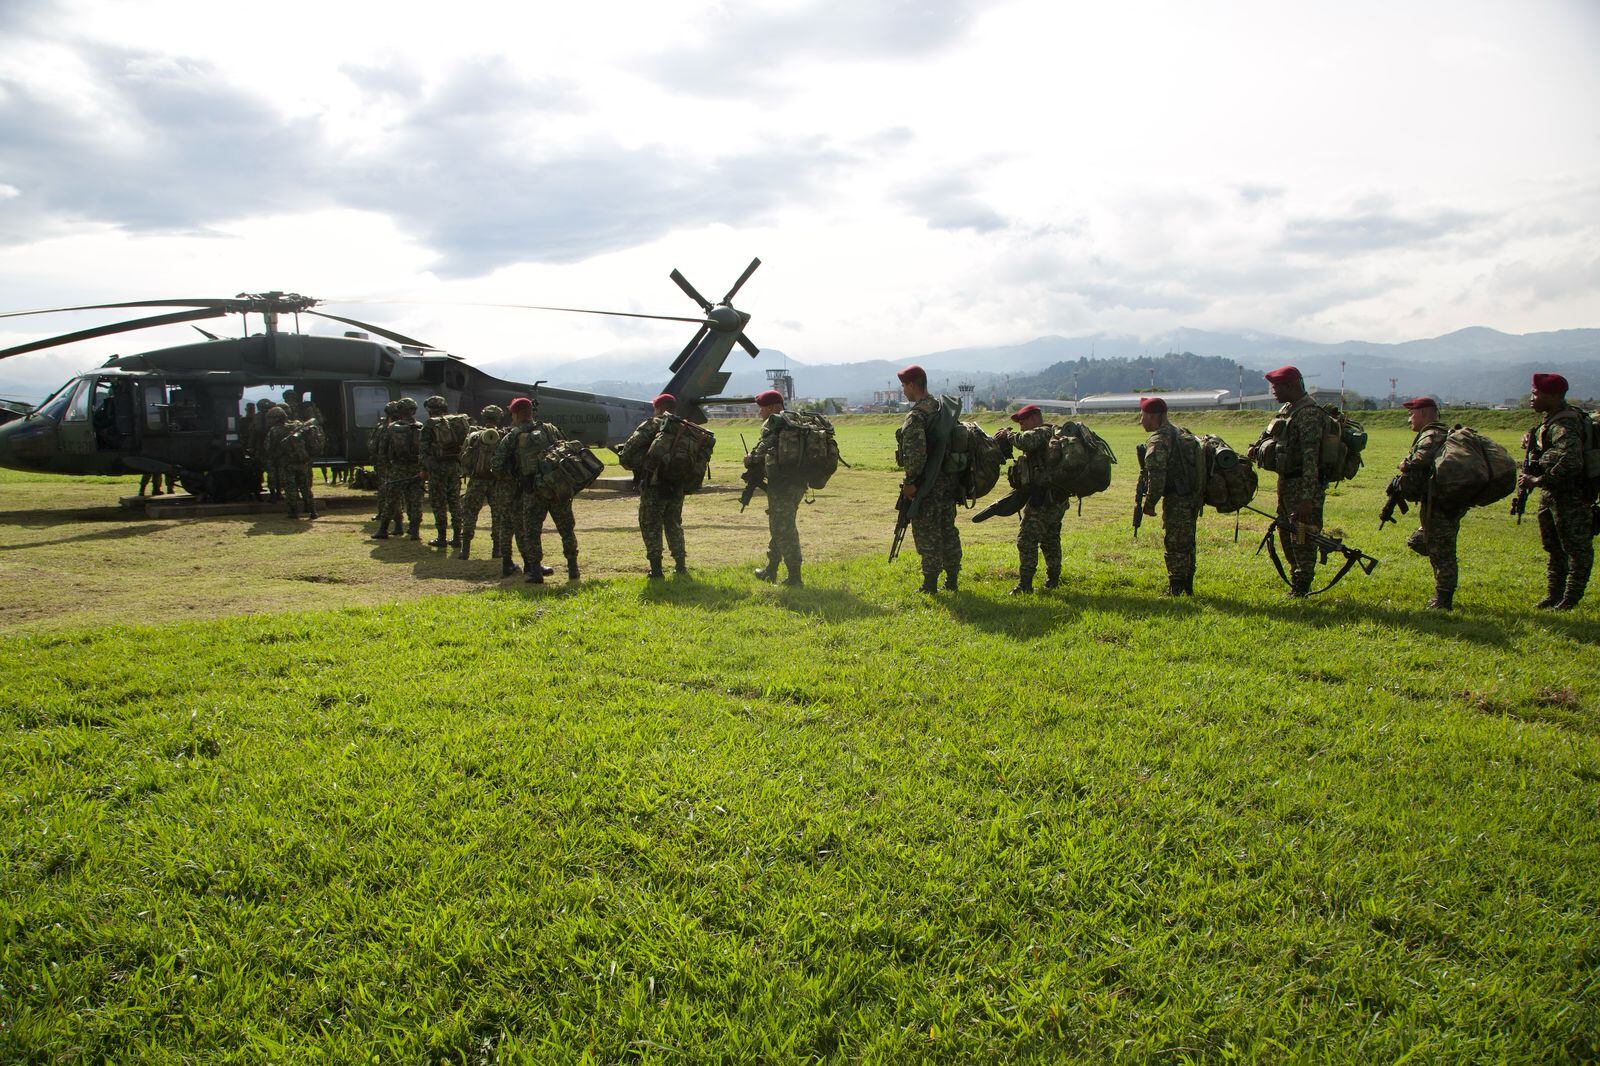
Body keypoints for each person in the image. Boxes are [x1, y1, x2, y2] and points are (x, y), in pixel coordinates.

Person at [1248, 365, 1329, 597]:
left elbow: (1311, 459)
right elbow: (1269, 435)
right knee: (1286, 531)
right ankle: (1296, 577)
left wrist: (1307, 498)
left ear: (1291, 386)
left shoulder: (1309, 414)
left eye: (1277, 386)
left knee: (1302, 533)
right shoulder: (1288, 409)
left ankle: (1302, 584)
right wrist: (1256, 449)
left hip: (1303, 485)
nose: (1273, 391)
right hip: (1286, 483)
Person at [1522, 373, 1594, 610]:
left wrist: (1539, 480)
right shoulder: (1550, 421)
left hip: (1571, 497)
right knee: (1553, 547)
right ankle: (1555, 595)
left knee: (1576, 550)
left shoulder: (1565, 424)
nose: (1532, 398)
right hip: (1553, 496)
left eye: (1536, 394)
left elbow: (1572, 462)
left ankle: (1570, 599)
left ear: (1552, 396)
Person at [493, 396, 578, 583]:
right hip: (557, 488)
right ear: (531, 412)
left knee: (531, 531)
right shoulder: (550, 429)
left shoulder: (512, 436)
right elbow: (568, 451)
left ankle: (535, 572)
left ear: (514, 414)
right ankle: (573, 569)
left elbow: (497, 466)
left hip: (533, 491)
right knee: (566, 529)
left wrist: (514, 475)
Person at [1389, 396, 1460, 610]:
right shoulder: (1440, 433)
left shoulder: (1432, 434)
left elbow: (1420, 460)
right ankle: (1443, 594)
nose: (1409, 418)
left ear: (1424, 412)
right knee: (1432, 543)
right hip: (1440, 500)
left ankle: (1443, 599)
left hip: (1440, 501)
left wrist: (1404, 464)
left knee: (1441, 549)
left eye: (1412, 413)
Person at [895, 364, 960, 593]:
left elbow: (914, 456)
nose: (903, 390)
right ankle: (952, 580)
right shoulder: (941, 410)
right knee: (947, 529)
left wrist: (911, 483)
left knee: (927, 532)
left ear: (913, 385)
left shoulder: (917, 416)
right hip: (948, 482)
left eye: (904, 385)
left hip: (927, 486)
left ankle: (930, 584)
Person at [616, 393, 694, 579]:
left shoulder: (652, 424)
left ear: (658, 408)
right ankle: (680, 566)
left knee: (650, 525)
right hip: (677, 484)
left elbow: (626, 455)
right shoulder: (685, 427)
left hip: (654, 484)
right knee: (674, 523)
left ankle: (656, 570)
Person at [994, 403, 1068, 594]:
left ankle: (1025, 584)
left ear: (1035, 418)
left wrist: (1007, 435)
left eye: (1023, 422)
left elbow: (1025, 441)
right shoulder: (1052, 433)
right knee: (1051, 539)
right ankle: (1053, 579)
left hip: (1043, 498)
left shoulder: (1043, 432)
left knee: (1026, 540)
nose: (1021, 427)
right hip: (1056, 497)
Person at [1136, 397, 1201, 596]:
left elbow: (1157, 476)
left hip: (1177, 498)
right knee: (1187, 541)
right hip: (1191, 497)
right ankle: (1187, 585)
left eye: (1143, 415)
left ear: (1153, 416)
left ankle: (1177, 588)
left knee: (1175, 543)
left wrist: (1150, 504)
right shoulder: (1181, 432)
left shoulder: (1159, 439)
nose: (1141, 420)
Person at [745, 389, 805, 585]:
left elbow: (759, 453)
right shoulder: (796, 421)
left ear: (771, 407)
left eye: (762, 408)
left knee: (784, 529)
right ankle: (771, 570)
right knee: (780, 526)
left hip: (781, 485)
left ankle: (795, 577)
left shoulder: (775, 424)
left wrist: (749, 459)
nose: (760, 412)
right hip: (798, 483)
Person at [457, 404, 506, 563]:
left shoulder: (473, 435)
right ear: (499, 418)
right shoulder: (503, 436)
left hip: (477, 480)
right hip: (496, 482)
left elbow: (464, 457)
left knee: (470, 513)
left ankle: (465, 550)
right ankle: (496, 550)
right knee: (498, 515)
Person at [375, 397, 424, 540]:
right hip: (415, 469)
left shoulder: (391, 428)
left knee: (391, 499)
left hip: (397, 468)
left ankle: (383, 529)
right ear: (413, 410)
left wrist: (387, 467)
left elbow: (383, 450)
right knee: (415, 500)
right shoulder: (421, 427)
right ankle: (414, 531)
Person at [419, 395, 464, 549]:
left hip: (437, 469)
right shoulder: (456, 422)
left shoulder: (429, 425)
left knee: (439, 503)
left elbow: (424, 451)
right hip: (454, 467)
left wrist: (424, 470)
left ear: (429, 409)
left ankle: (442, 537)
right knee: (455, 501)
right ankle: (458, 537)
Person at [264, 406, 317, 519]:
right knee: (305, 487)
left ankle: (293, 512)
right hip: (302, 461)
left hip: (287, 463)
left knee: (290, 488)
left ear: (276, 418)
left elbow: (268, 447)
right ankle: (312, 511)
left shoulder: (275, 430)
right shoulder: (298, 425)